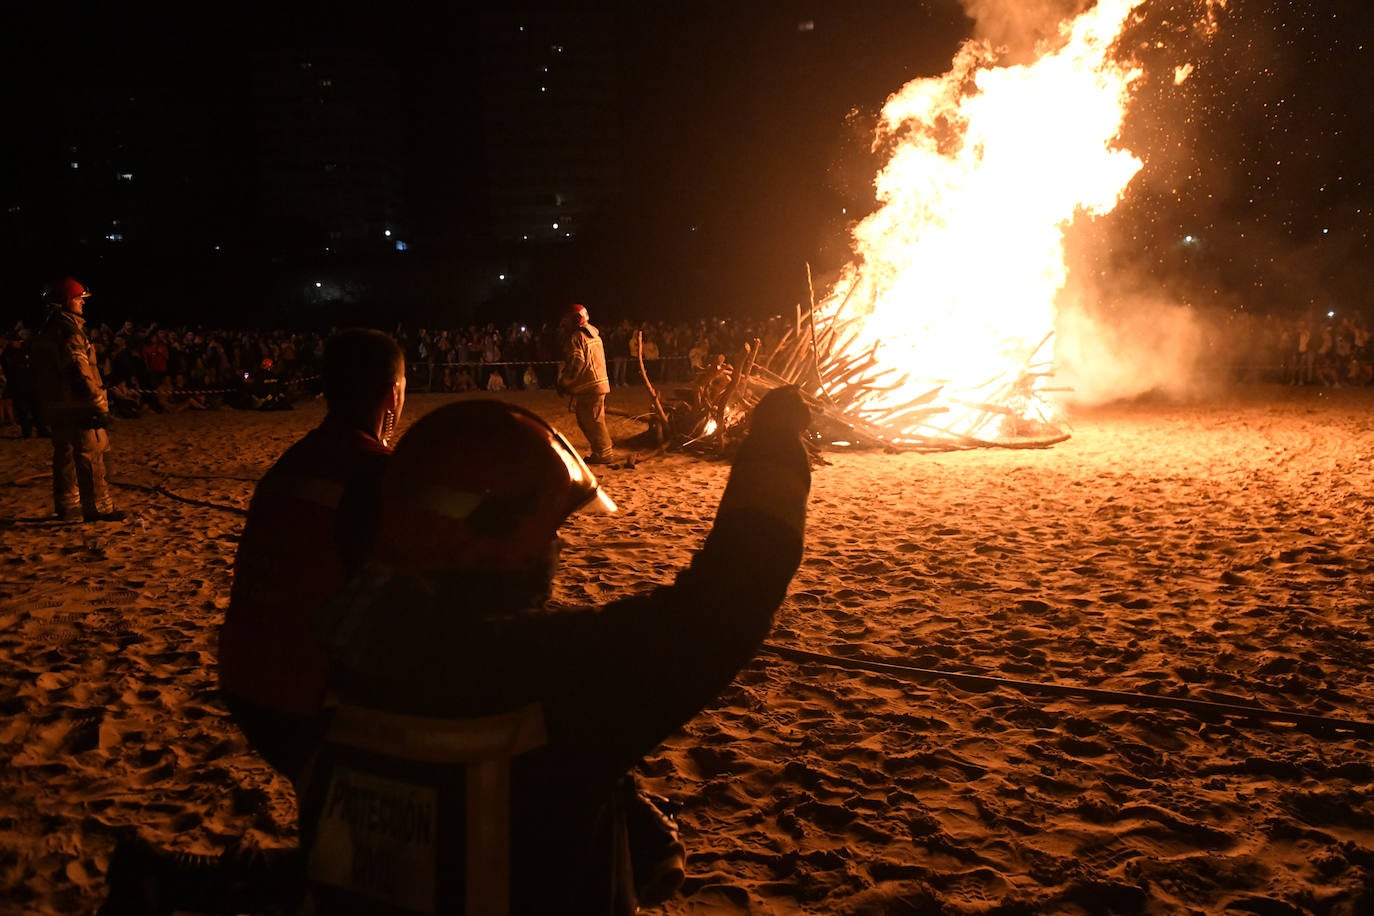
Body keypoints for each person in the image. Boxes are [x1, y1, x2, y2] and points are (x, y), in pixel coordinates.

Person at [300, 385, 813, 914]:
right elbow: (737, 590)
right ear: (491, 532)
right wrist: (773, 440)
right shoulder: (547, 670)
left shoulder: (346, 643)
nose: (558, 547)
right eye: (551, 530)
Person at [218, 327, 407, 785]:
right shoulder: (378, 475)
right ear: (392, 393)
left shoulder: (295, 460)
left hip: (245, 679)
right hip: (305, 695)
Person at [28, 277, 126, 523]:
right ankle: (99, 507)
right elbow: (80, 371)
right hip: (79, 405)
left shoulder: (46, 331)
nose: (82, 304)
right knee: (90, 454)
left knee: (65, 454)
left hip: (56, 405)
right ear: (65, 302)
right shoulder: (70, 332)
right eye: (79, 299)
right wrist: (98, 402)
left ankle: (67, 505)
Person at [555, 302, 615, 464]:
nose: (565, 325)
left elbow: (577, 362)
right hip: (598, 383)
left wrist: (564, 382)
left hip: (590, 386)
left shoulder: (578, 337)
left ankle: (604, 453)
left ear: (576, 319)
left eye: (567, 321)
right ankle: (601, 451)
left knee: (592, 420)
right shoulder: (593, 334)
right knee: (588, 419)